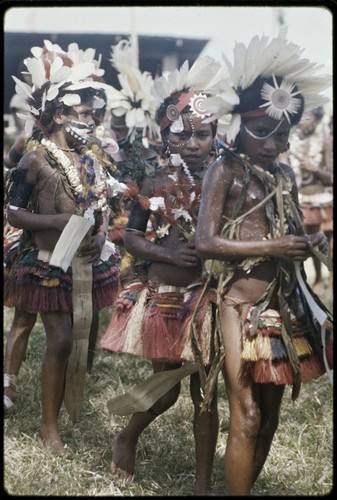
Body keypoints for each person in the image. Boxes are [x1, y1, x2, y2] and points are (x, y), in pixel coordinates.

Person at [194, 31, 333, 495]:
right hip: (238, 307)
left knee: (270, 418)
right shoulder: (224, 170)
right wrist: (274, 248)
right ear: (240, 126)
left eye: (284, 136)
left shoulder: (285, 174)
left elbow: (288, 227)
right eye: (266, 134)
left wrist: (311, 242)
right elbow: (206, 242)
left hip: (284, 309)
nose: (276, 147)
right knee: (246, 413)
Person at [99, 56, 227, 495]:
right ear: (165, 134)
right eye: (181, 133)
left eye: (202, 133)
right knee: (169, 388)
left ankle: (203, 484)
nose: (192, 143)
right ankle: (126, 436)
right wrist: (164, 252)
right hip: (168, 294)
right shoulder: (153, 181)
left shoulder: (225, 177)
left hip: (213, 295)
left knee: (206, 392)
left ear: (216, 135)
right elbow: (131, 236)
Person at [4, 39, 124, 454]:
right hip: (45, 263)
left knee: (75, 339)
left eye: (93, 114)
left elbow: (101, 205)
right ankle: (48, 427)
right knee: (58, 340)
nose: (92, 121)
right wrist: (55, 221)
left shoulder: (89, 159)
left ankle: (58, 413)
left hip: (84, 263)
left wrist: (104, 231)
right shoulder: (33, 160)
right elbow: (14, 214)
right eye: (85, 113)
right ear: (58, 115)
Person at [284, 106, 333, 287]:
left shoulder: (324, 139)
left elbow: (330, 175)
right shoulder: (290, 139)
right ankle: (318, 277)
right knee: (308, 242)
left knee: (327, 242)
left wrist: (315, 169)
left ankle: (329, 277)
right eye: (302, 118)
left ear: (317, 120)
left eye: (309, 118)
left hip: (321, 198)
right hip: (301, 200)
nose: (305, 122)